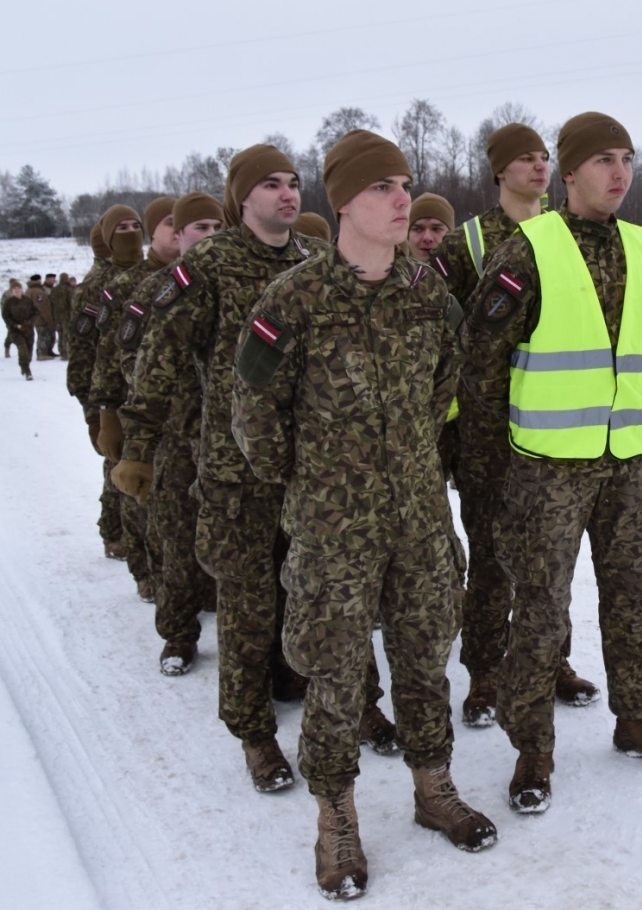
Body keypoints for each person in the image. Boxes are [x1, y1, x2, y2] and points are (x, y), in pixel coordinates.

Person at [232, 130, 496, 900]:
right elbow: (254, 414)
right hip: (332, 529)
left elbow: (446, 387)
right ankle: (336, 818)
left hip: (417, 515)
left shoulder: (429, 296)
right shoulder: (293, 301)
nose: (401, 198)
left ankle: (433, 788)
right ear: (342, 200)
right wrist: (310, 489)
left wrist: (414, 465)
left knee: (423, 659)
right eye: (383, 187)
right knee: (336, 674)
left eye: (405, 184)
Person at [114, 145, 397, 797]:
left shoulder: (313, 264)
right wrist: (137, 444)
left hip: (307, 470)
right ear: (242, 198)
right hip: (234, 472)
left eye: (293, 183)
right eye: (270, 184)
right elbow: (158, 356)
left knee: (322, 593)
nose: (286, 193)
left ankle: (342, 698)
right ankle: (254, 731)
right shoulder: (207, 267)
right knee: (247, 603)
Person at [463, 112, 642, 815]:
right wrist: (493, 468)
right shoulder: (528, 248)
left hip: (626, 463)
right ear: (568, 173)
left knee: (632, 601)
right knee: (538, 614)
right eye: (601, 160)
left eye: (626, 158)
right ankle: (531, 749)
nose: (618, 172)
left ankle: (635, 719)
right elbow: (480, 363)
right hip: (547, 470)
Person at [443, 124, 601, 729]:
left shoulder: (567, 233)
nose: (539, 166)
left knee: (551, 559)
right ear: (499, 171)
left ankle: (551, 661)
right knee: (490, 557)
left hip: (554, 431)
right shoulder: (470, 243)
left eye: (544, 157)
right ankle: (484, 671)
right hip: (488, 433)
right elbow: (450, 333)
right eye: (524, 159)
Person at [108, 192, 223, 675]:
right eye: (199, 229)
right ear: (178, 236)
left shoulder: (237, 286)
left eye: (218, 228)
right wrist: (131, 432)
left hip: (227, 440)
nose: (209, 238)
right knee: (174, 538)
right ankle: (178, 634)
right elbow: (129, 361)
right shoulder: (157, 291)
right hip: (176, 438)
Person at [91, 196, 179, 601]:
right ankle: (147, 572)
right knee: (140, 500)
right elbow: (106, 355)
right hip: (137, 408)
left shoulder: (199, 276)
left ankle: (184, 581)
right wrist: (104, 412)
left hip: (185, 413)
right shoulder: (128, 286)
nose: (178, 231)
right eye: (169, 223)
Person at [70, 206, 144, 564]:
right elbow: (83, 350)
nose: (131, 233)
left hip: (145, 388)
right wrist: (93, 407)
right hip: (110, 391)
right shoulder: (97, 287)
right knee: (116, 465)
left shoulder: (158, 274)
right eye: (122, 228)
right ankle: (113, 531)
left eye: (136, 226)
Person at [2, 280, 37, 380]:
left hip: (28, 329)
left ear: (22, 289)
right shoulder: (8, 303)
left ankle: (25, 365)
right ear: (11, 290)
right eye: (14, 289)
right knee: (23, 350)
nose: (17, 290)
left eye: (18, 288)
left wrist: (30, 322)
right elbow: (6, 317)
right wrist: (15, 325)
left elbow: (35, 312)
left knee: (29, 352)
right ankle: (27, 371)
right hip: (16, 330)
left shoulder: (27, 301)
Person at [25, 274, 56, 360]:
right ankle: (42, 354)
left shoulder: (29, 290)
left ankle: (45, 352)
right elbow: (43, 307)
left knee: (42, 335)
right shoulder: (38, 292)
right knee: (43, 335)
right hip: (40, 318)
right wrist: (49, 319)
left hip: (33, 317)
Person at [50, 273, 73, 360]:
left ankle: (61, 352)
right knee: (66, 335)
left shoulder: (54, 289)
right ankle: (66, 353)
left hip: (57, 315)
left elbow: (51, 302)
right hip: (66, 315)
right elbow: (72, 302)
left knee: (60, 334)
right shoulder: (69, 289)